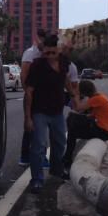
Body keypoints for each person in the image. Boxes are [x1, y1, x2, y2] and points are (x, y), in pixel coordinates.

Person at [23, 34, 70, 192]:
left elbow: (65, 80)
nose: (49, 56)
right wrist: (28, 118)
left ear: (58, 50)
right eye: (46, 53)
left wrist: (74, 95)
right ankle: (36, 179)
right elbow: (29, 92)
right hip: (39, 112)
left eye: (53, 53)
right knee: (39, 145)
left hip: (57, 111)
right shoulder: (37, 65)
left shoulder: (64, 62)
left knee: (60, 143)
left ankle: (56, 171)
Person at [62, 79, 108, 172]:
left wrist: (76, 95)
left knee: (72, 127)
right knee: (73, 121)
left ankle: (67, 159)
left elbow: (78, 108)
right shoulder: (100, 96)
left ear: (84, 91)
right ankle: (67, 158)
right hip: (106, 129)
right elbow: (90, 115)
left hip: (103, 131)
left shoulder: (95, 99)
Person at [18, 29, 46, 166]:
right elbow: (24, 76)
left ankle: (40, 156)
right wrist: (28, 93)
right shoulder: (30, 53)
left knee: (42, 126)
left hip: (43, 96)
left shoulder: (45, 54)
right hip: (32, 95)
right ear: (37, 38)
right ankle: (24, 156)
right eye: (42, 39)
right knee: (29, 126)